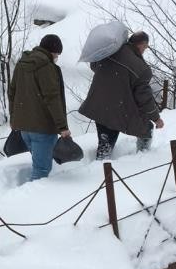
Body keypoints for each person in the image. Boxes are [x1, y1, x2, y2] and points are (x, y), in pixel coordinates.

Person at [79, 30, 164, 160]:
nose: (144, 50)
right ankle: (144, 158)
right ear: (141, 45)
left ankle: (101, 163)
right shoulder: (142, 69)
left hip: (98, 105)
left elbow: (95, 65)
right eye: (145, 47)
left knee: (106, 139)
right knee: (147, 129)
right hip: (118, 110)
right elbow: (144, 98)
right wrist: (156, 118)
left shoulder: (110, 51)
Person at [8, 33, 70, 181]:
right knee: (41, 171)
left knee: (41, 163)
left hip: (24, 127)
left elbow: (12, 92)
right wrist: (62, 127)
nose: (57, 57)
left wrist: (14, 118)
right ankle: (31, 201)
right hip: (42, 127)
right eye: (57, 54)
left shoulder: (22, 63)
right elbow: (52, 98)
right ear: (53, 51)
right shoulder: (46, 67)